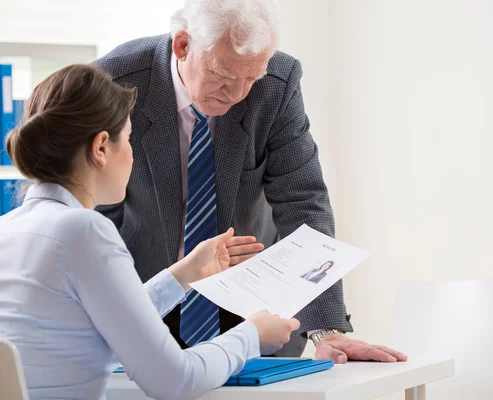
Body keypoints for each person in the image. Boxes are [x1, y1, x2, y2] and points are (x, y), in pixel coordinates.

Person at [94, 0, 407, 363]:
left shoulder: (276, 82)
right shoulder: (115, 82)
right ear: (183, 46)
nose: (237, 94)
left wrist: (325, 329)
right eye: (223, 75)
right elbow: (98, 214)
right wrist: (112, 314)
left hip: (255, 314)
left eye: (250, 78)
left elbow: (302, 201)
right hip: (145, 302)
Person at [0, 64, 300, 400]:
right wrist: (252, 336)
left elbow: (101, 323)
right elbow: (176, 380)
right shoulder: (83, 230)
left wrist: (183, 274)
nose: (132, 154)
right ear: (101, 148)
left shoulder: (9, 228)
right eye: (128, 138)